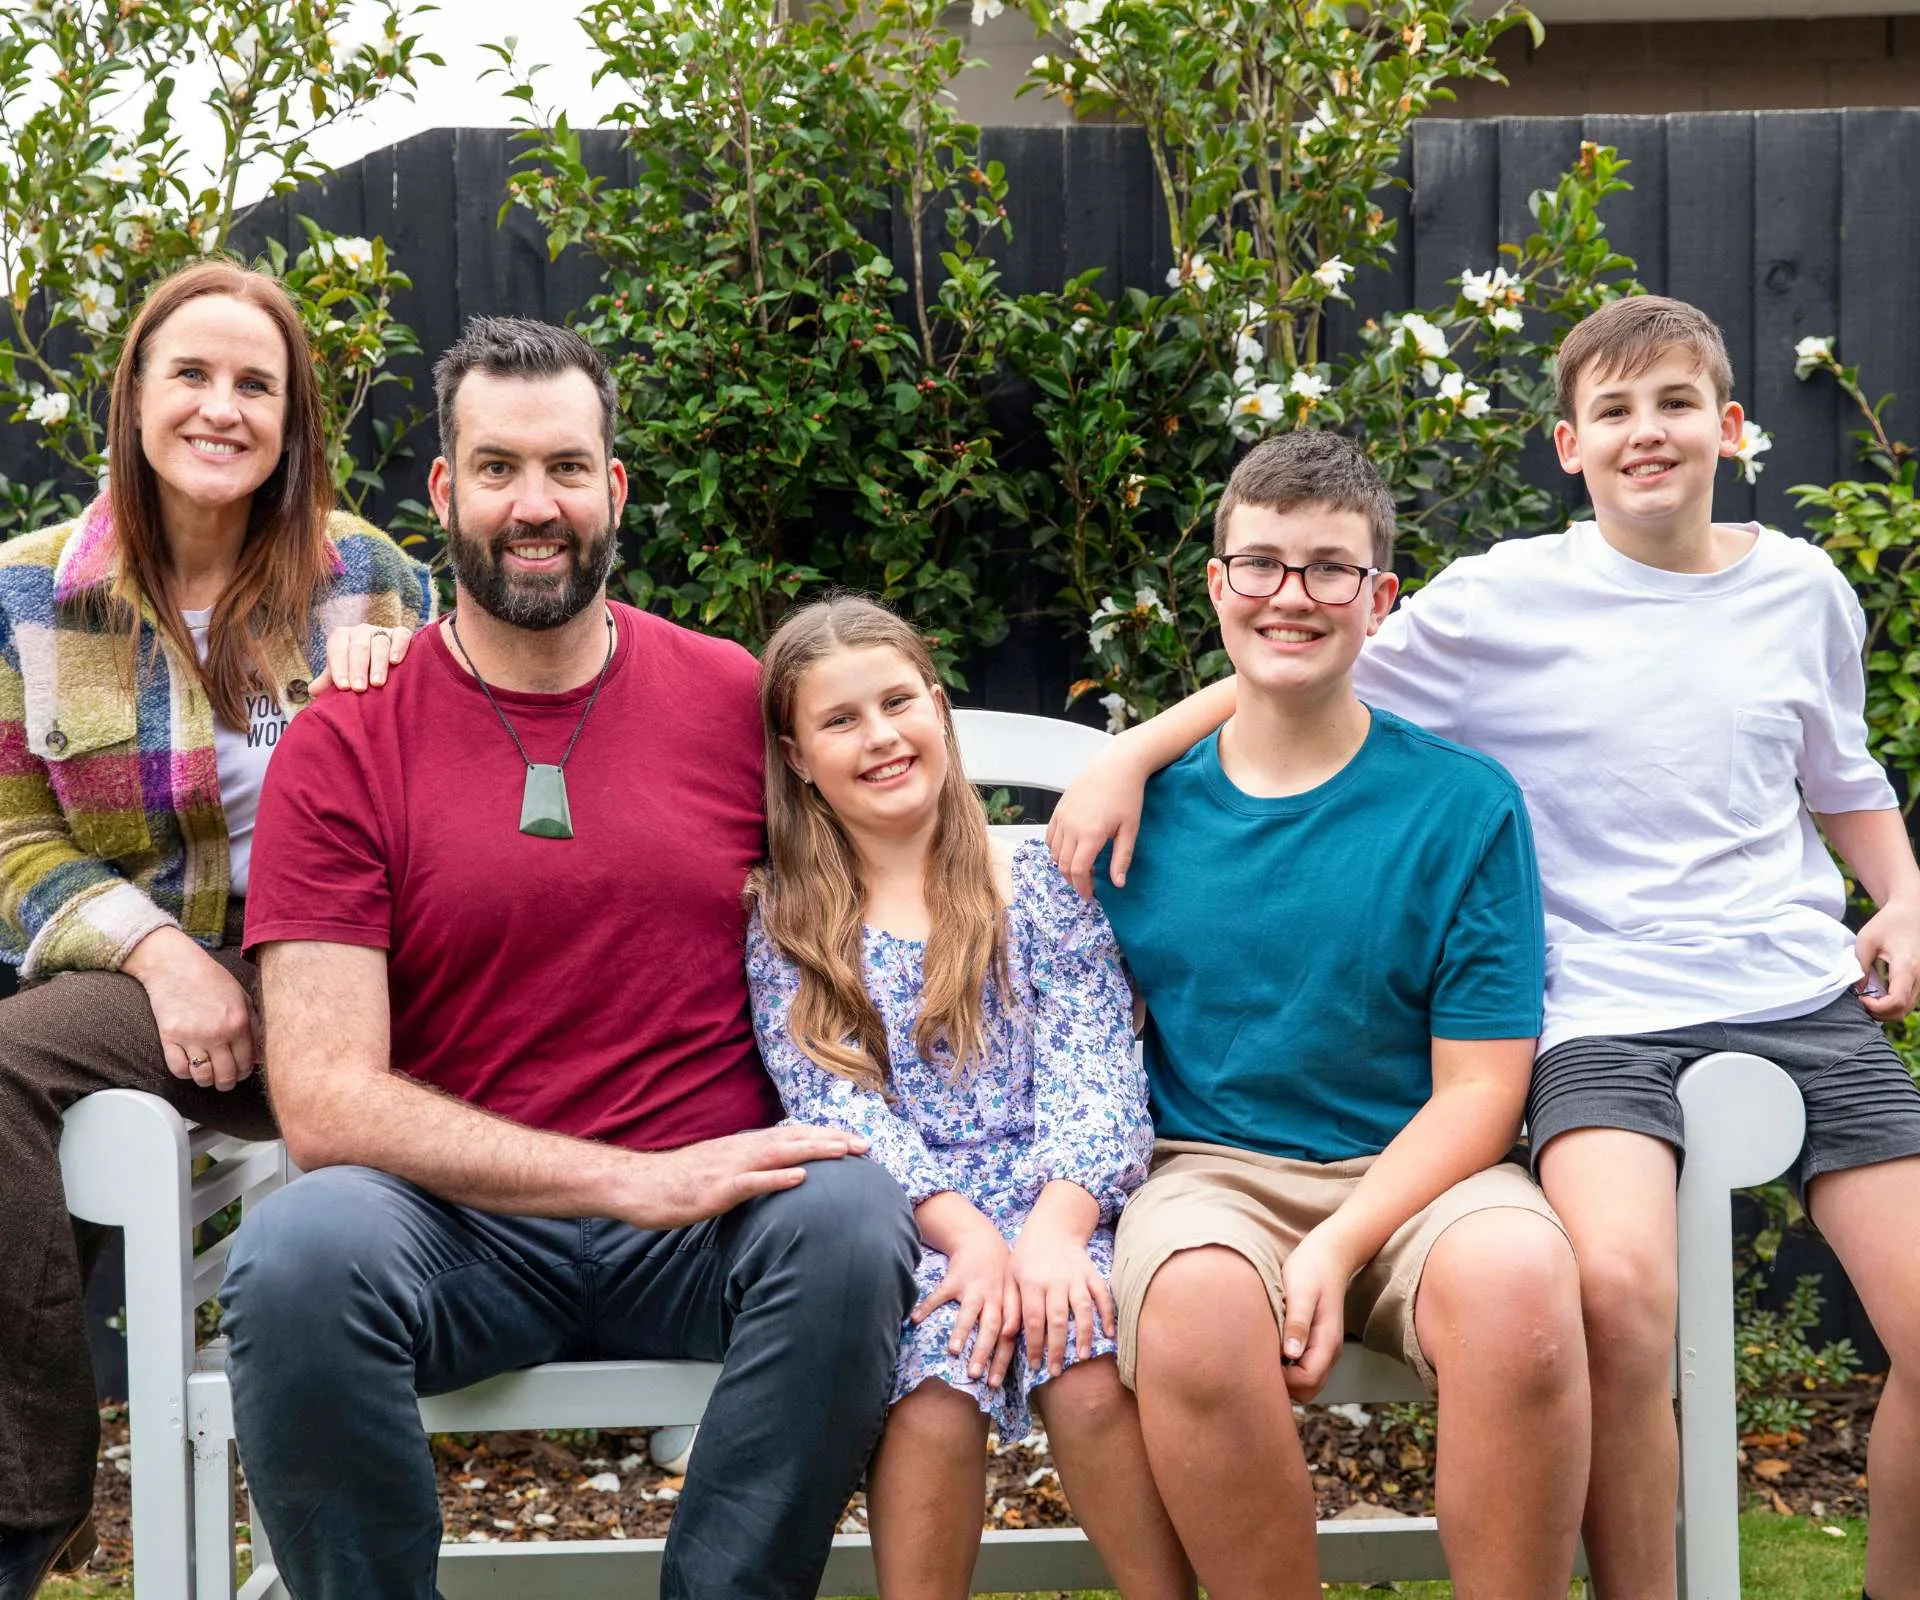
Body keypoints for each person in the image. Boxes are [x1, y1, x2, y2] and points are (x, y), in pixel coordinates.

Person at [1051, 297, 1920, 1600]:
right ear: (1566, 446)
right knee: (1616, 1301)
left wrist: (1901, 891)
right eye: (1614, 411)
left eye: (1678, 404)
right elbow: (1304, 649)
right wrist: (1130, 748)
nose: (1649, 434)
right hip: (1605, 1011)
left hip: (1796, 985)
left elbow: (1840, 775)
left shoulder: (1802, 589)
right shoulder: (1508, 595)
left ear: (1733, 429)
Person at [219, 317, 919, 1600]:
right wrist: (620, 1180)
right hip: (456, 1230)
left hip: (708, 1217)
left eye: (566, 468)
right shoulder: (345, 741)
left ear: (616, 489)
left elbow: (915, 845)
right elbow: (321, 1100)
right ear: (443, 491)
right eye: (495, 469)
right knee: (298, 1254)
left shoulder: (729, 701)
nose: (533, 505)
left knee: (849, 1217)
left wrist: (1146, 761)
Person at [1072, 430, 1591, 1599]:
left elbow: (1481, 1090)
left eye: (1328, 569)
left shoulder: (1462, 807)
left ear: (1381, 595)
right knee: (1196, 1308)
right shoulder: (1138, 817)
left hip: (1429, 1173)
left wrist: (1343, 1238)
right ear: (1216, 585)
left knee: (1521, 1290)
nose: (1289, 596)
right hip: (1210, 1169)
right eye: (1257, 565)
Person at [0, 260, 432, 1600]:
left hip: (361, 985)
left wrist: (398, 695)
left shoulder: (369, 577)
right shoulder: (26, 592)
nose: (223, 407)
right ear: (134, 394)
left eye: (258, 384)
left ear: (295, 422)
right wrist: (160, 954)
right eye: (192, 374)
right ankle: (22, 1511)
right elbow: (14, 842)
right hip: (157, 976)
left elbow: (455, 811)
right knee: (6, 1063)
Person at [744, 594, 1192, 1600]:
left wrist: (1050, 1229)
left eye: (898, 701)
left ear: (939, 710)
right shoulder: (790, 919)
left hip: (1064, 1205)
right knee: (938, 1390)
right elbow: (831, 1097)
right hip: (917, 1226)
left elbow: (1096, 1064)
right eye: (840, 720)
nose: (881, 736)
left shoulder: (1038, 880)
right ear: (798, 755)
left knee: (1082, 1361)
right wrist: (967, 1238)